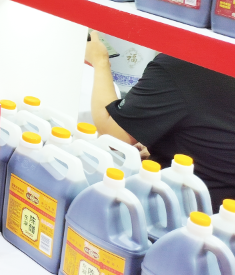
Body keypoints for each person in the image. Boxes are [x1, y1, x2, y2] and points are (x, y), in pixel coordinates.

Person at [85, 31, 235, 210]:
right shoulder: (221, 57)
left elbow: (111, 135)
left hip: (193, 213)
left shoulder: (181, 65)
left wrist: (100, 60)